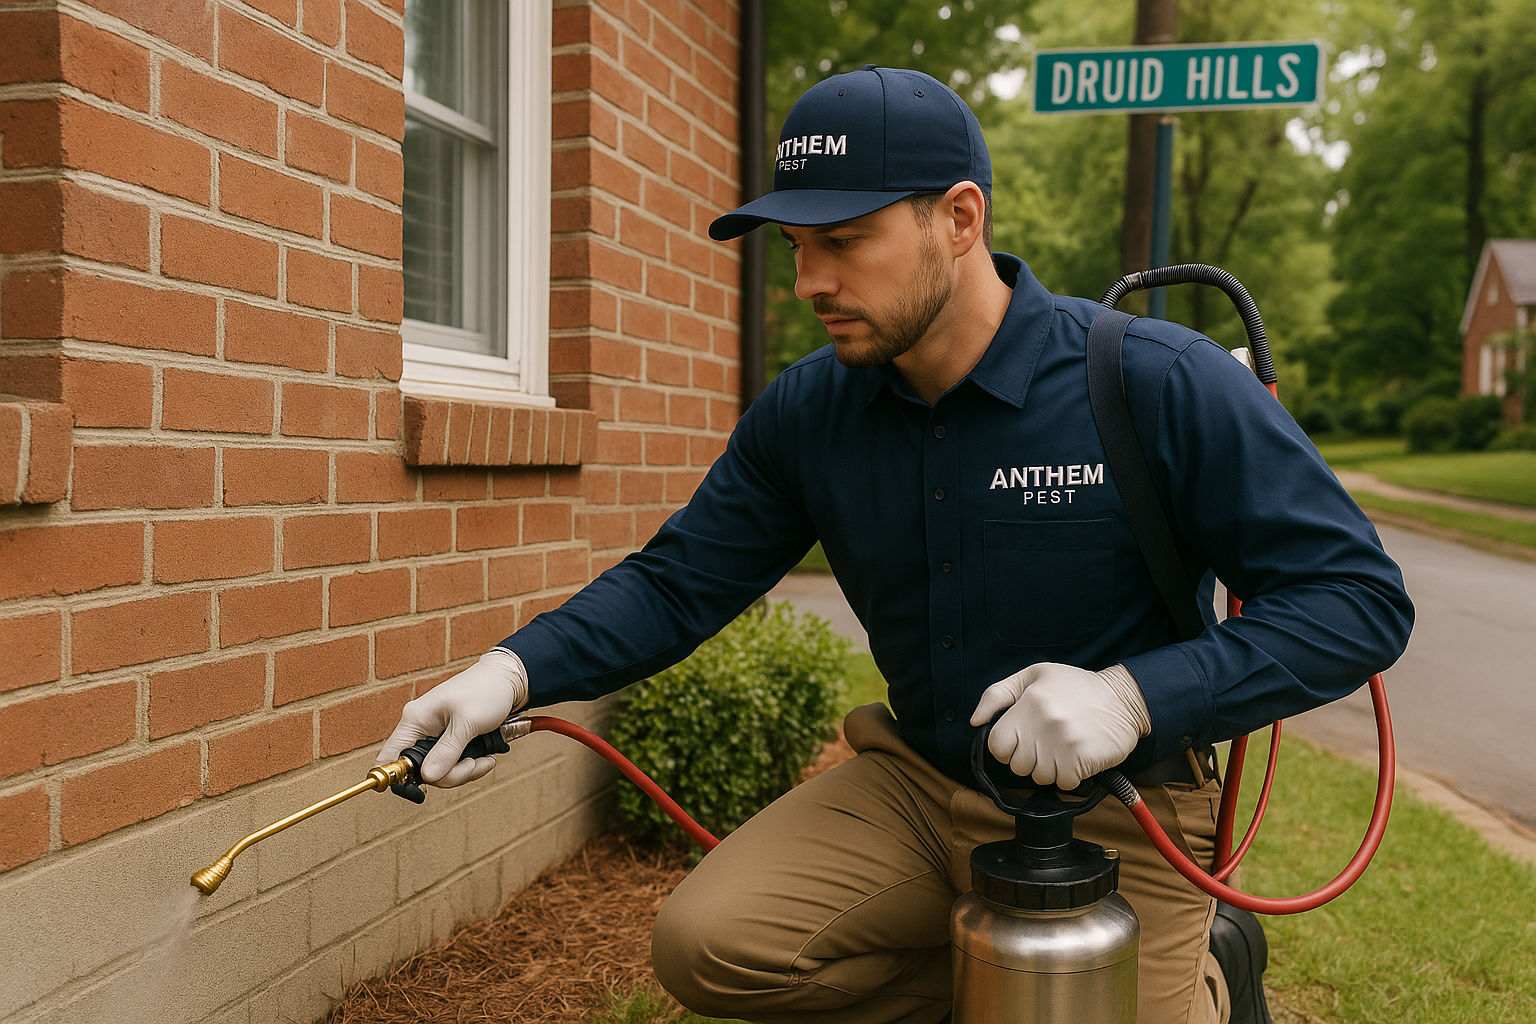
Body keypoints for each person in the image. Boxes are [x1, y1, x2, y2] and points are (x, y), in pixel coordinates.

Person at [377, 66, 1413, 1024]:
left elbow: (1358, 599)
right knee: (707, 945)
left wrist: (1133, 695)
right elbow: (680, 581)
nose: (809, 282)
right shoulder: (810, 411)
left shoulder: (1156, 381)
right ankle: (1004, 980)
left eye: (847, 239)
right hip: (916, 785)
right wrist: (511, 673)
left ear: (958, 218)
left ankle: (1205, 971)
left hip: (1119, 811)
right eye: (795, 247)